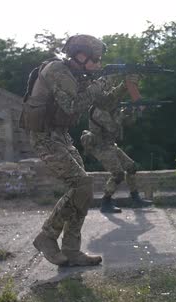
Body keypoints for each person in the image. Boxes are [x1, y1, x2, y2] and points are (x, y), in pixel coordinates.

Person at [19, 34, 135, 266]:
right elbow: (72, 105)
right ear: (80, 56)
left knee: (84, 191)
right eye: (96, 60)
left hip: (61, 135)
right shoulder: (56, 70)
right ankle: (47, 236)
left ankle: (71, 250)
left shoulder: (80, 75)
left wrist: (126, 85)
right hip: (43, 136)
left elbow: (105, 104)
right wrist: (98, 83)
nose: (99, 65)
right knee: (82, 184)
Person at [80, 84, 153, 213]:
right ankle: (106, 202)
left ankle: (135, 198)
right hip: (100, 147)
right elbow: (113, 127)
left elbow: (128, 123)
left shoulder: (112, 108)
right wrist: (123, 113)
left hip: (110, 145)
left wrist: (133, 112)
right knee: (118, 174)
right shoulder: (98, 110)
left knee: (131, 167)